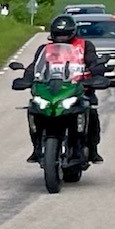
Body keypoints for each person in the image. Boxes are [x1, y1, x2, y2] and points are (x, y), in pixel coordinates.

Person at [17, 15, 106, 164]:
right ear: (53, 34)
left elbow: (93, 63)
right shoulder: (44, 49)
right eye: (58, 34)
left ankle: (92, 149)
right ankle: (37, 147)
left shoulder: (85, 46)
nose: (62, 37)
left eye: (65, 34)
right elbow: (35, 67)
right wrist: (26, 79)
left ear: (73, 32)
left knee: (91, 112)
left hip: (80, 89)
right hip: (52, 89)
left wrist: (96, 74)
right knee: (34, 109)